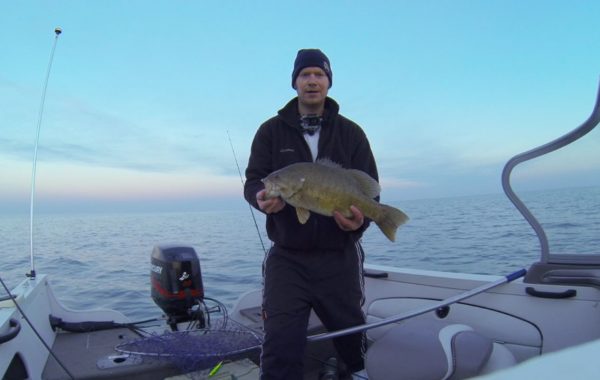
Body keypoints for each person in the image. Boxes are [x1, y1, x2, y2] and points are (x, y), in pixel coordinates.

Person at [244, 48, 379, 380]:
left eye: (319, 75)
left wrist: (361, 222)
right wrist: (260, 198)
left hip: (339, 256)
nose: (312, 81)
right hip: (288, 257)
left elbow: (371, 191)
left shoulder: (352, 133)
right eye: (305, 75)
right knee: (280, 342)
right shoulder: (270, 131)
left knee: (352, 339)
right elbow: (254, 181)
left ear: (329, 82)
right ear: (295, 83)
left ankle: (359, 374)